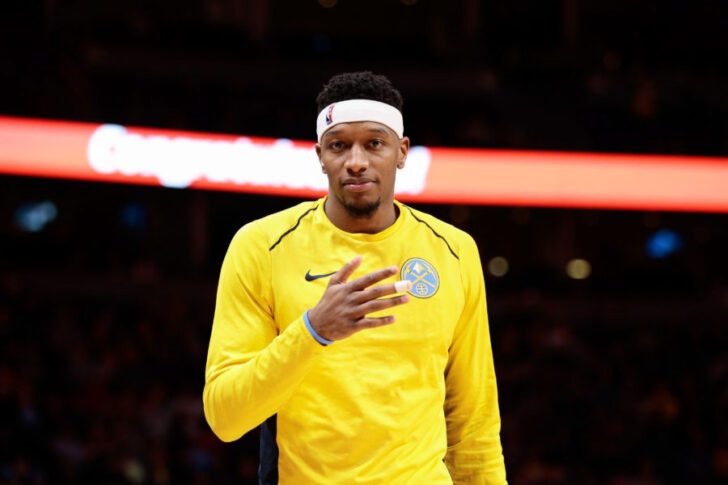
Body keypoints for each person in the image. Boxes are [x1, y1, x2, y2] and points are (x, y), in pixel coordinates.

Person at [203, 71, 507, 485]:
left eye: (374, 143)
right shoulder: (260, 246)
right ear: (320, 156)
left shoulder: (454, 251)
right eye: (339, 145)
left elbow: (474, 422)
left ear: (402, 152)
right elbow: (225, 416)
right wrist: (313, 331)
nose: (356, 160)